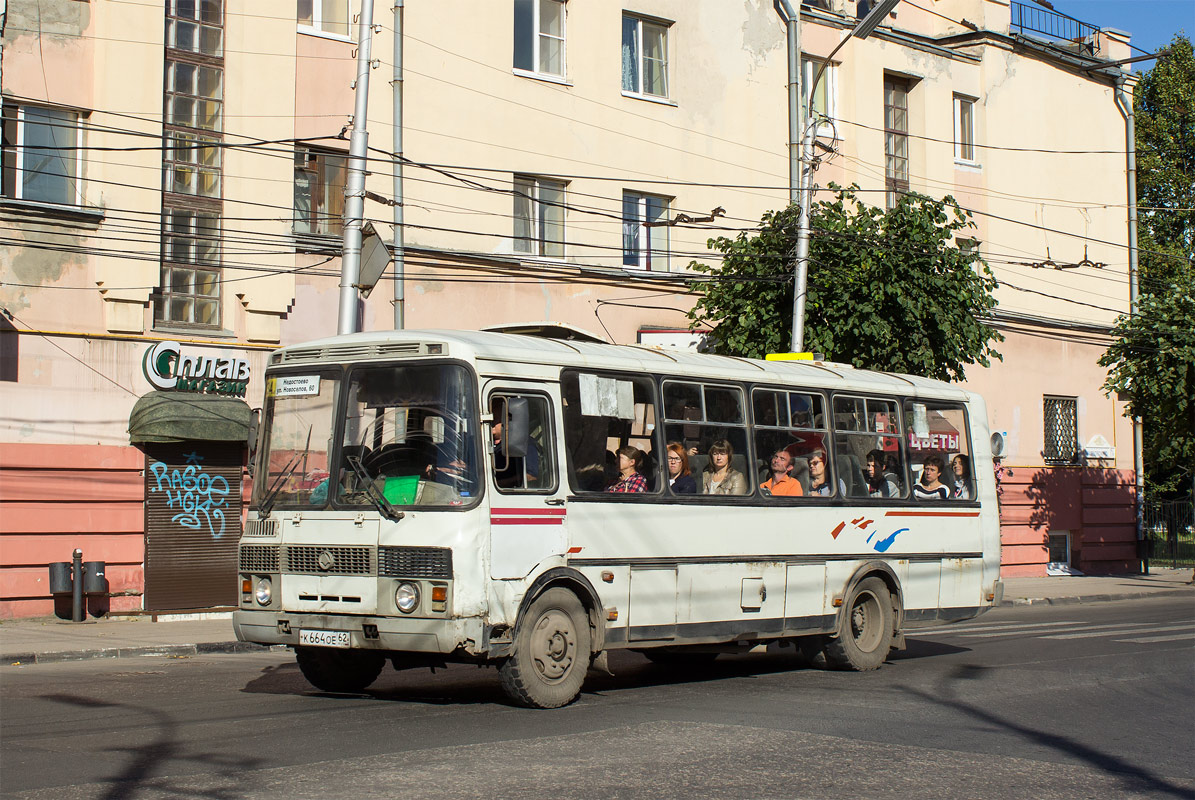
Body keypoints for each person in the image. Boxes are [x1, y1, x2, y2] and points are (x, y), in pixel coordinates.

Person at [491, 409, 539, 489]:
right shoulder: (488, 444)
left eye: (495, 419)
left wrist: (499, 483)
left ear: (507, 422)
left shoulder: (523, 443)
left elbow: (531, 476)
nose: (491, 424)